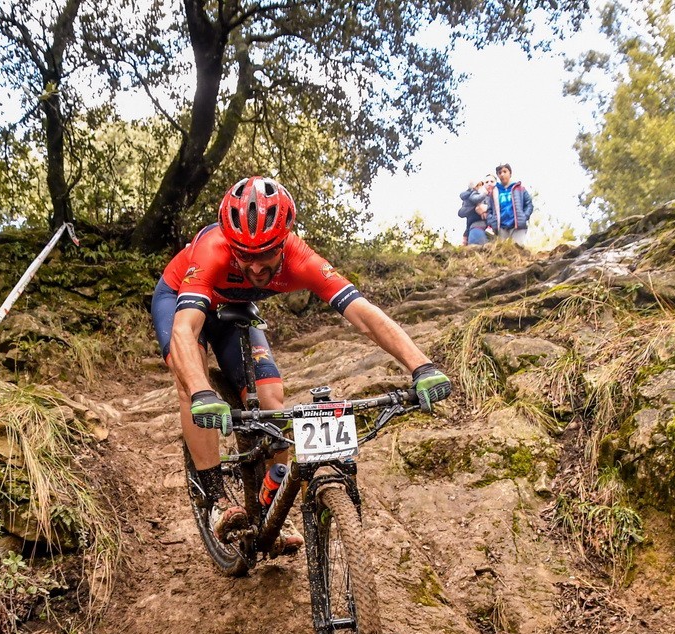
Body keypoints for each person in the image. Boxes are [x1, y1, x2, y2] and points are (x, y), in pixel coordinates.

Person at [151, 176, 452, 553]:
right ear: (229, 244)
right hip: (180, 299)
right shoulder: (212, 250)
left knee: (272, 401)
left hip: (235, 307)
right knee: (189, 380)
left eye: (267, 255)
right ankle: (214, 499)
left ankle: (272, 504)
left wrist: (421, 366)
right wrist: (199, 391)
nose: (257, 268)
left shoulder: (301, 258)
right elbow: (185, 327)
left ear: (284, 241)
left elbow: (363, 313)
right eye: (244, 255)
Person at [485, 163, 534, 246]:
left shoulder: (519, 188)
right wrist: (492, 221)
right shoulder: (494, 191)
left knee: (518, 249)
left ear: (510, 173)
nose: (502, 174)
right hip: (501, 227)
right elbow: (489, 210)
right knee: (503, 253)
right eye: (500, 173)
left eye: (505, 171)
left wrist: (524, 216)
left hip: (517, 226)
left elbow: (529, 204)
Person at [457, 176, 492, 246]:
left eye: (481, 185)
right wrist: (475, 208)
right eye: (486, 182)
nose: (489, 184)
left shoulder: (493, 196)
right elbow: (461, 212)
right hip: (475, 223)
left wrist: (486, 209)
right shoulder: (473, 195)